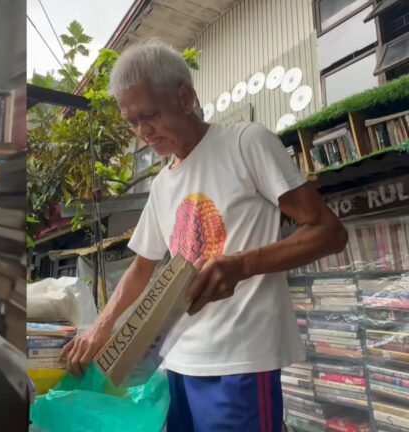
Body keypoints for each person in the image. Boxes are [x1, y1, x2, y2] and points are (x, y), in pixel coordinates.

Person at [60, 38, 348, 432]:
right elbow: (141, 269)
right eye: (132, 121)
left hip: (240, 362)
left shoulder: (246, 143)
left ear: (186, 96)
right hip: (176, 363)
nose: (143, 131)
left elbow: (328, 231)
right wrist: (101, 327)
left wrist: (242, 264)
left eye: (151, 115)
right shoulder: (162, 184)